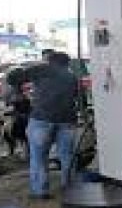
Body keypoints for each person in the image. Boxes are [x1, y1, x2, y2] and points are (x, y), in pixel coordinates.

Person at [10, 52, 79, 199]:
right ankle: (70, 188)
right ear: (66, 63)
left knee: (39, 156)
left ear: (49, 61)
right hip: (67, 120)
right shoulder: (71, 76)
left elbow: (13, 77)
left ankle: (40, 191)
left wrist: (18, 92)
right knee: (67, 156)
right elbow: (76, 97)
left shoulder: (43, 69)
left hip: (42, 118)